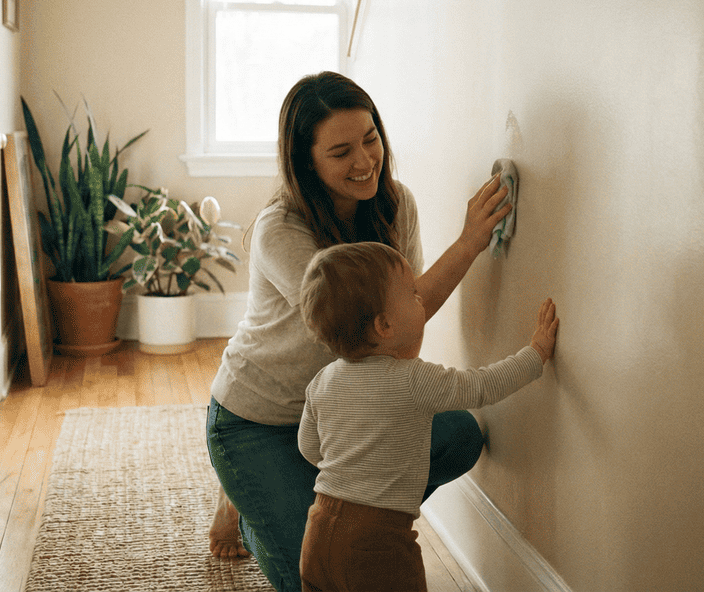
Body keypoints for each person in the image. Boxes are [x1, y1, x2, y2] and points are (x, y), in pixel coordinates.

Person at [205, 71, 514, 592]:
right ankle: (248, 503)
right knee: (316, 582)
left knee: (459, 435)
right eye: (341, 151)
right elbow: (376, 328)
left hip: (347, 414)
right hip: (258, 420)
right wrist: (468, 243)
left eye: (370, 138)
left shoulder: (396, 204)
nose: (365, 161)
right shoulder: (279, 229)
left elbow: (404, 315)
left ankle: (318, 511)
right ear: (306, 161)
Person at [295, 242, 558, 592]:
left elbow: (309, 449)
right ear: (385, 325)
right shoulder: (413, 380)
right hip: (378, 543)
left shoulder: (323, 381)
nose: (421, 296)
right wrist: (536, 353)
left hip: (318, 530)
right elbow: (482, 386)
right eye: (413, 294)